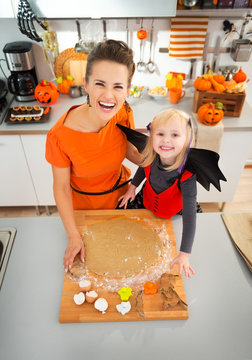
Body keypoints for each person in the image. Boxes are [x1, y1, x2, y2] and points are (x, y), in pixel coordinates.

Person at [45, 40, 141, 272]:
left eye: (118, 86)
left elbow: (128, 150)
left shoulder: (124, 112)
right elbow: (61, 189)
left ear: (128, 90)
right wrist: (73, 235)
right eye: (100, 84)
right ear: (86, 84)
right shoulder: (59, 136)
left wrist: (166, 157)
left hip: (122, 202)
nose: (109, 95)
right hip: (84, 213)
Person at [118, 108, 198, 278]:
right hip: (145, 199)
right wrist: (132, 187)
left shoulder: (187, 174)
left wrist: (184, 254)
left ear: (187, 140)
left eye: (175, 135)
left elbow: (190, 216)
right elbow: (143, 168)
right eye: (160, 134)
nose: (166, 140)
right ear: (152, 136)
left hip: (177, 210)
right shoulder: (151, 154)